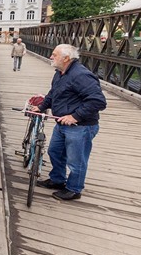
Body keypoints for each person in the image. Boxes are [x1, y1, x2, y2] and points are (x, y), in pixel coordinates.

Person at [31, 44, 107, 201]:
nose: (51, 57)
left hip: (80, 126)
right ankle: (58, 179)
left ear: (66, 58)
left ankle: (74, 189)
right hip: (62, 123)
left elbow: (98, 101)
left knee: (76, 160)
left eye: (54, 54)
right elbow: (54, 94)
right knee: (55, 151)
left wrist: (75, 116)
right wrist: (41, 106)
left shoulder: (81, 76)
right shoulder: (60, 73)